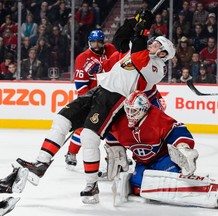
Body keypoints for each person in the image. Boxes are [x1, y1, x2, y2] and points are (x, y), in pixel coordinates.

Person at [16, 9, 175, 204]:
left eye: (158, 44)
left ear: (163, 53)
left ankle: (91, 186)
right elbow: (120, 38)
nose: (153, 44)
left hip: (116, 98)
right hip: (99, 90)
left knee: (89, 136)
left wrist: (143, 29)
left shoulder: (157, 67)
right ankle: (41, 163)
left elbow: (138, 56)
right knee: (62, 119)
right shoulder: (134, 50)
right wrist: (135, 21)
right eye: (154, 41)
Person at [104, 90, 218, 209]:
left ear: (143, 109)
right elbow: (110, 133)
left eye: (133, 111)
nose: (130, 115)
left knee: (173, 180)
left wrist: (183, 147)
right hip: (142, 163)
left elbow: (177, 131)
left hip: (163, 158)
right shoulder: (120, 123)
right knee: (138, 185)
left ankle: (213, 191)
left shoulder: (156, 117)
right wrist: (115, 150)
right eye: (128, 110)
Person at [64, 29, 117, 168]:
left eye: (99, 42)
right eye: (94, 42)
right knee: (84, 128)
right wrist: (89, 102)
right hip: (91, 97)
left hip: (111, 95)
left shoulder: (111, 50)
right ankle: (71, 153)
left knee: (114, 128)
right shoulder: (83, 58)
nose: (97, 45)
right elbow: (81, 85)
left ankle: (114, 157)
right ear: (89, 42)